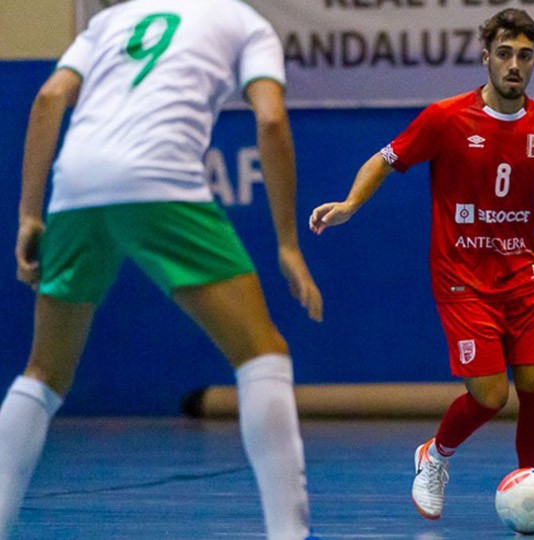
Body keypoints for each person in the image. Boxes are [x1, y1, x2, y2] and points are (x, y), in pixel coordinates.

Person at [309, 8, 534, 529]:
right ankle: (434, 454)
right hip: (461, 279)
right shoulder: (446, 117)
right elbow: (385, 159)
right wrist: (349, 205)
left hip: (522, 276)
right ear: (486, 57)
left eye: (525, 56)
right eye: (504, 53)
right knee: (490, 395)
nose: (514, 65)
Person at [1, 1, 324, 539]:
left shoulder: (109, 20)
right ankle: (288, 534)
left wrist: (29, 215)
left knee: (44, 374)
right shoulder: (245, 23)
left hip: (76, 189)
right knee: (263, 353)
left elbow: (49, 97)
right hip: (160, 182)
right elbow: (269, 118)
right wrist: (287, 243)